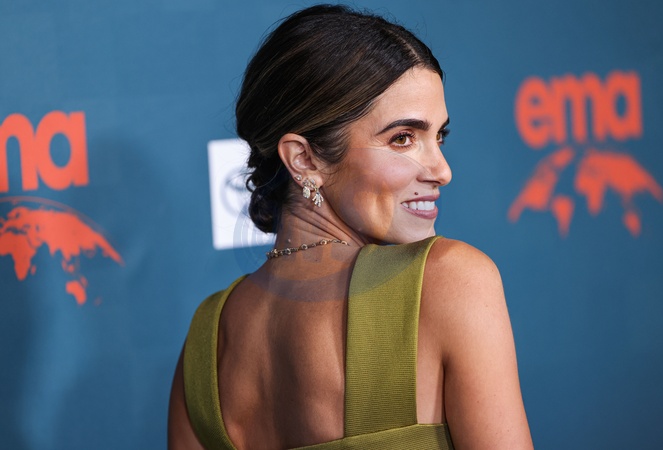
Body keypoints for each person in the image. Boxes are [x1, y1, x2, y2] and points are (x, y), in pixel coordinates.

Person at [168, 4, 533, 449]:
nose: (442, 170)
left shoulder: (204, 343)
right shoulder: (449, 280)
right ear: (304, 160)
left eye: (439, 136)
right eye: (403, 139)